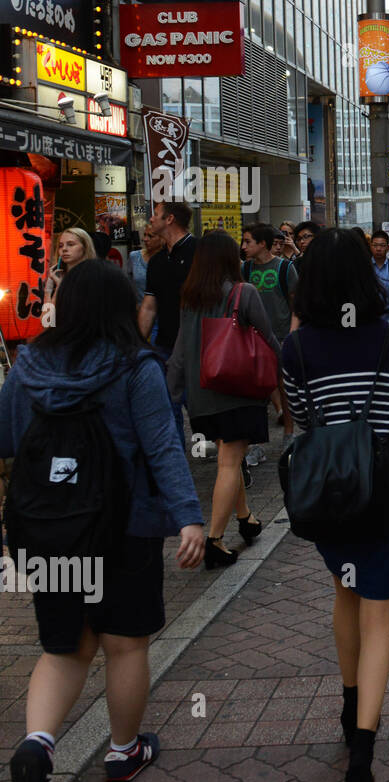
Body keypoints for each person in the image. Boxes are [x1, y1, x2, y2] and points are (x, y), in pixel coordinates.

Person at [1, 262, 206, 782]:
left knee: (63, 647)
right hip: (126, 525)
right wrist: (188, 516)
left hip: (50, 528)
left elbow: (10, 440)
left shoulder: (30, 366)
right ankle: (122, 750)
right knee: (123, 644)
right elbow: (163, 445)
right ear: (119, 308)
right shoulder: (136, 367)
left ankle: (38, 747)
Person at [280, 228, 389, 782]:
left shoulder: (297, 347)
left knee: (345, 592)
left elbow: (301, 421)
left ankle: (346, 695)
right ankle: (362, 750)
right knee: (378, 616)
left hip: (326, 491)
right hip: (382, 484)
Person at [166, 231, 280, 569]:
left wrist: (171, 393)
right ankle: (214, 541)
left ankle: (245, 518)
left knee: (229, 459)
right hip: (238, 390)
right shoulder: (244, 292)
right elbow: (269, 337)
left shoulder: (190, 297)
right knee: (230, 463)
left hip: (202, 396)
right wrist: (286, 371)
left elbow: (180, 351)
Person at [137, 201, 198, 445]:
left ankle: (232, 459)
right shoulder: (157, 261)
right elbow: (149, 307)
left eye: (156, 215)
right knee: (169, 408)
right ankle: (177, 460)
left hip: (198, 346)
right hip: (165, 347)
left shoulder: (200, 252)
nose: (151, 219)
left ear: (170, 219)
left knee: (200, 410)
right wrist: (138, 345)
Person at [241, 223, 299, 441]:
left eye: (248, 242)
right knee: (256, 391)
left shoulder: (284, 268)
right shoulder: (245, 269)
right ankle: (256, 441)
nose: (244, 246)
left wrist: (291, 336)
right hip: (253, 340)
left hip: (282, 337)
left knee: (284, 387)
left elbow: (296, 306)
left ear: (262, 244)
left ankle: (289, 434)